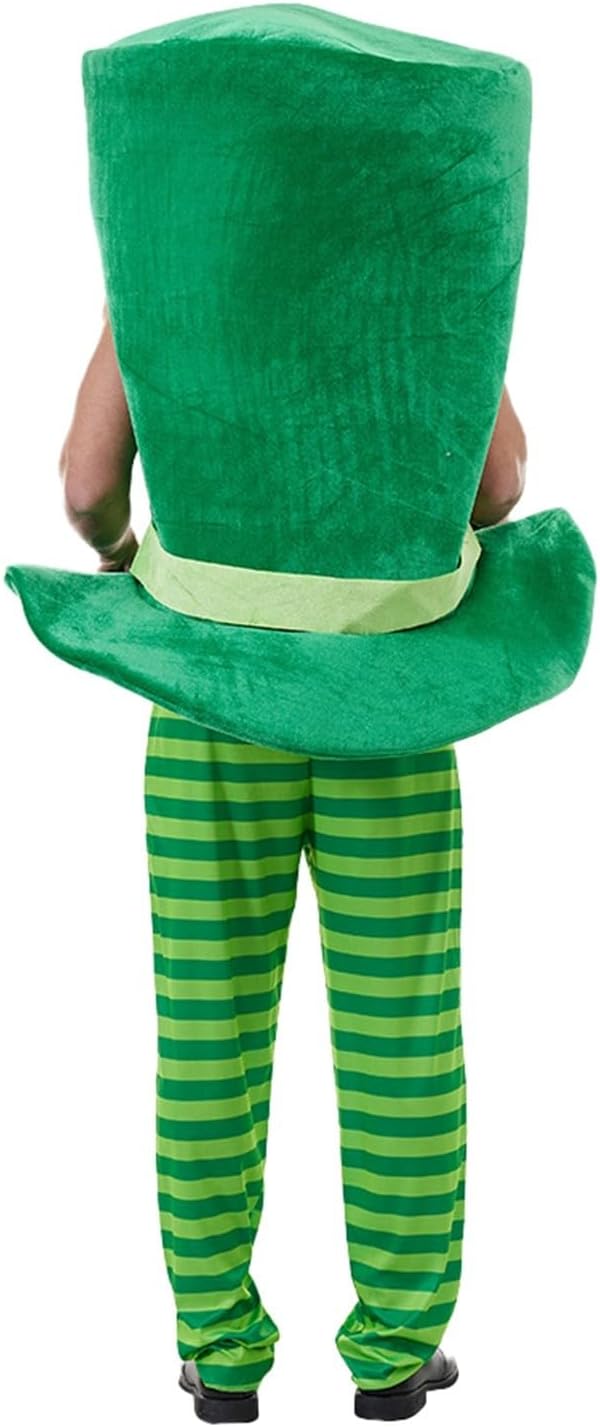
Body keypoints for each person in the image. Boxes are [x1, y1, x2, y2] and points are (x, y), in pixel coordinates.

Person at [55, 301, 527, 1424]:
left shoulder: (165, 262)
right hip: (389, 694)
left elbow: (85, 486)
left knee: (207, 1030)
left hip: (208, 693)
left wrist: (124, 558)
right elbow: (499, 484)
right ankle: (396, 1350)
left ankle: (219, 1351)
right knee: (401, 1034)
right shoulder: (413, 265)